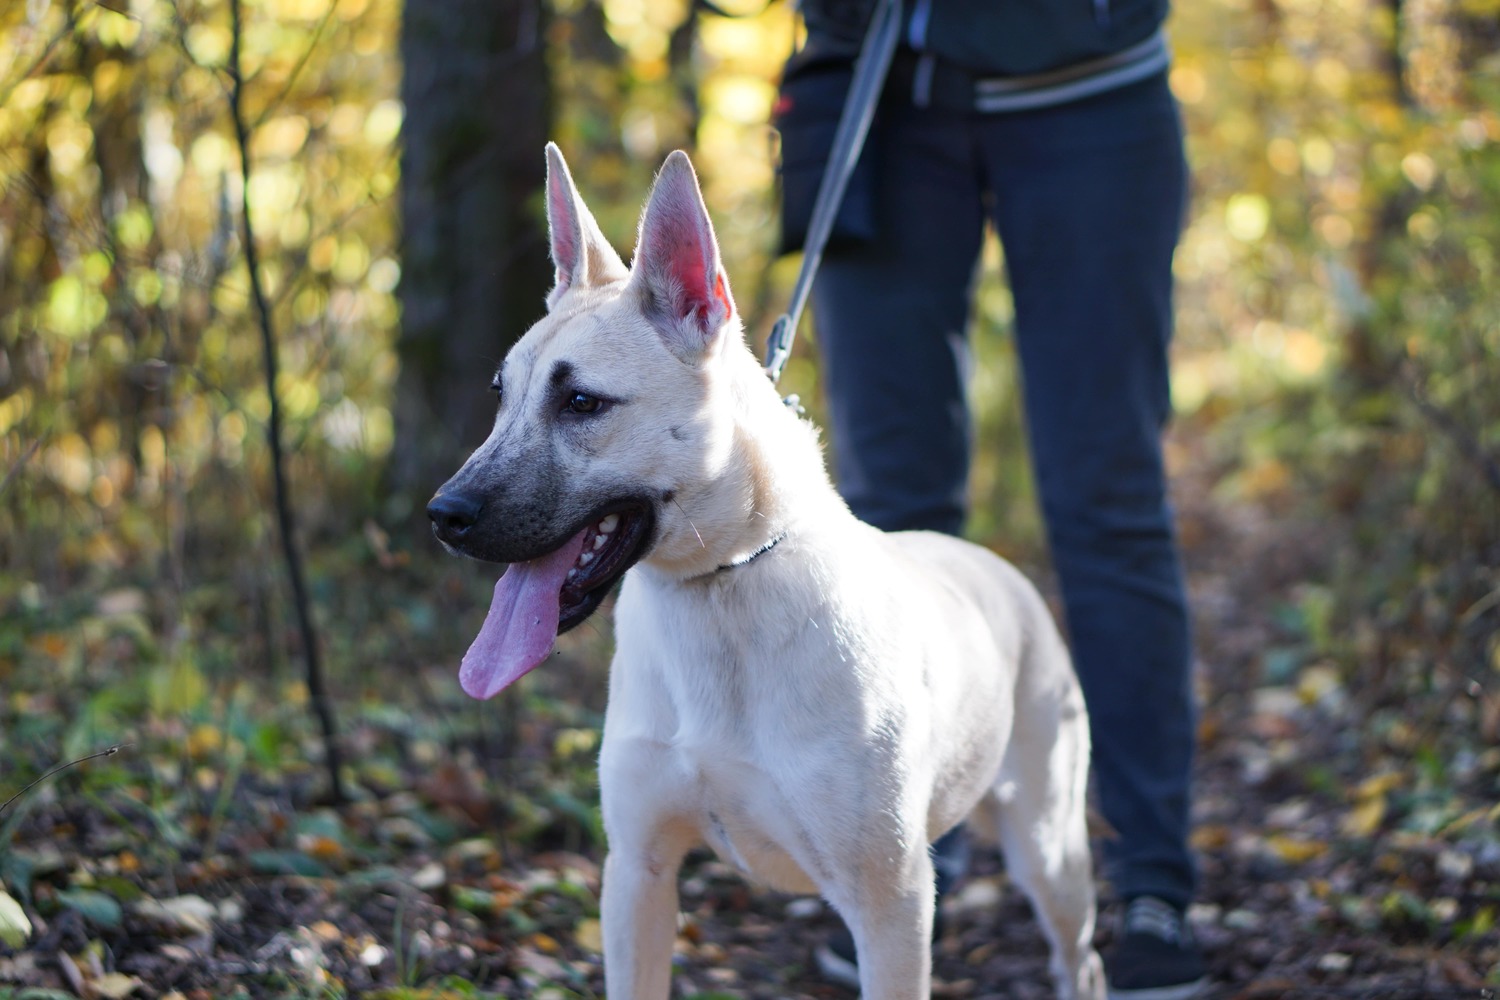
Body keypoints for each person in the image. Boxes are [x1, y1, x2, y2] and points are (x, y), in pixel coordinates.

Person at [775, 1, 1208, 997]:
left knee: (1109, 503)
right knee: (889, 509)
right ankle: (905, 847)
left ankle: (1153, 885)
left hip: (1093, 95)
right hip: (875, 95)